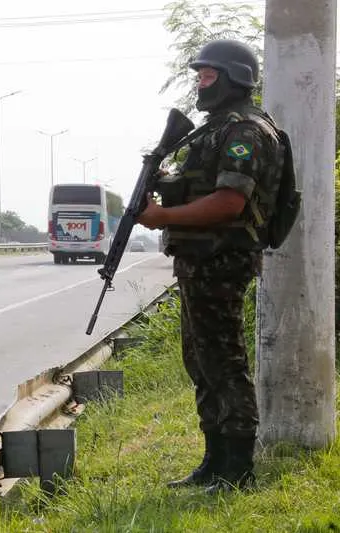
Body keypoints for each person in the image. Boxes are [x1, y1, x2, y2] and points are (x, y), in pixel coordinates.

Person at [138, 39, 285, 494]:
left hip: (222, 259)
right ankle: (214, 461)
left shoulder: (245, 131)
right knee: (200, 361)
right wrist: (164, 182)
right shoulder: (214, 129)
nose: (200, 83)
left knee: (224, 362)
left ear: (233, 77)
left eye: (207, 75)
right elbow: (201, 187)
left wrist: (162, 217)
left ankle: (237, 469)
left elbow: (228, 202)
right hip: (199, 261)